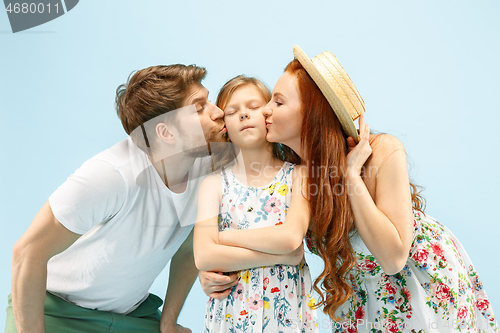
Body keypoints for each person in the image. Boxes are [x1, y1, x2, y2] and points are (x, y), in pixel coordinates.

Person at [205, 46, 499, 333]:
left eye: (278, 103)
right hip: (360, 297)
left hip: (423, 286)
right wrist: (214, 270)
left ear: (312, 113)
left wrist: (351, 177)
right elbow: (267, 235)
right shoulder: (293, 175)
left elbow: (393, 259)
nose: (266, 109)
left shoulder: (382, 152)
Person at [7, 64, 228, 333]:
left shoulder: (207, 168)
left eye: (209, 100)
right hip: (56, 313)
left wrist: (168, 321)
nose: (219, 112)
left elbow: (186, 249)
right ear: (166, 133)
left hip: (132, 316)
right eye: (199, 107)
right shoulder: (111, 175)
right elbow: (27, 253)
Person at [193, 75, 318, 332]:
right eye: (232, 111)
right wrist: (283, 255)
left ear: (268, 114)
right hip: (231, 317)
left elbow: (290, 239)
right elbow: (204, 255)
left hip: (287, 317)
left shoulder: (299, 175)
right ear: (224, 124)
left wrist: (222, 237)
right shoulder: (213, 184)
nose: (243, 115)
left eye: (253, 107)